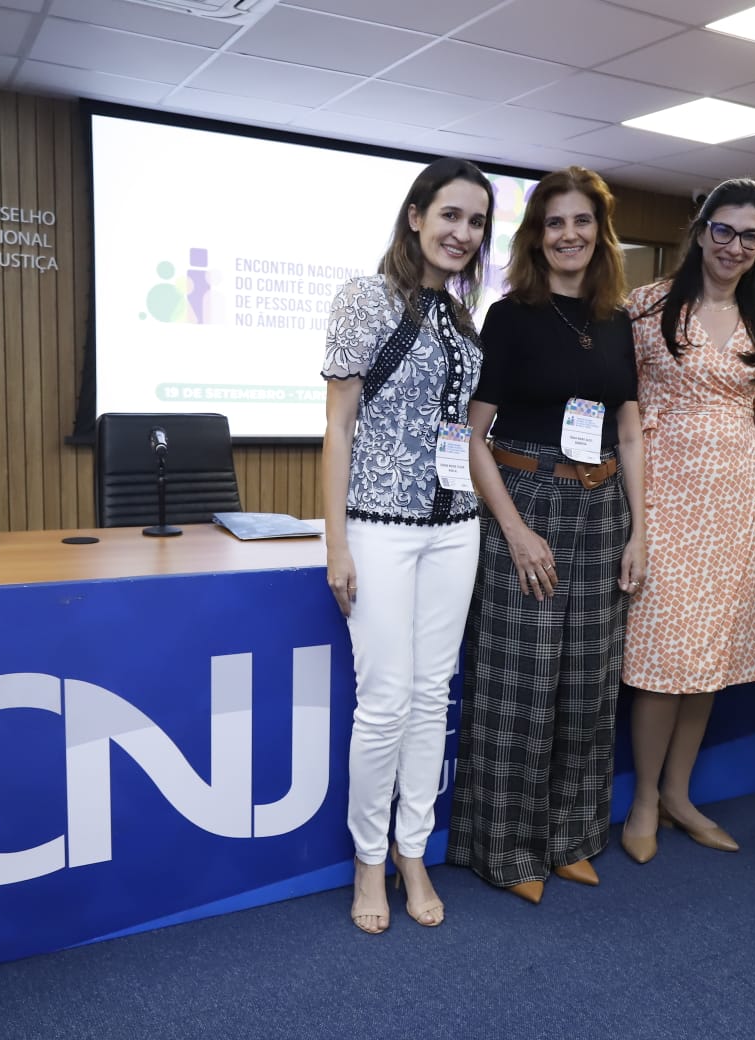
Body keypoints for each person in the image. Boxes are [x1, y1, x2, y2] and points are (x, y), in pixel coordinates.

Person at [447, 166, 645, 903]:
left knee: (588, 685)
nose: (569, 234)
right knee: (519, 684)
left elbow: (630, 432)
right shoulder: (511, 317)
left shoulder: (617, 320)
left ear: (600, 232)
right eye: (554, 222)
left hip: (602, 509)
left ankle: (571, 838)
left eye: (582, 221)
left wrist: (640, 531)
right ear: (536, 236)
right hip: (525, 501)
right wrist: (515, 530)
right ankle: (506, 849)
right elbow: (472, 436)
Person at [320, 158, 496, 934]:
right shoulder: (366, 297)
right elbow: (338, 427)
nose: (463, 232)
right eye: (451, 215)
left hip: (456, 527)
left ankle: (412, 850)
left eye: (477, 221)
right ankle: (369, 860)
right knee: (386, 701)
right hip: (380, 526)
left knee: (432, 699)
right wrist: (336, 543)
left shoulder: (461, 316)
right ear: (417, 215)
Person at [619, 177, 755, 864]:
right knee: (664, 657)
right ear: (702, 229)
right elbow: (622, 404)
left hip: (737, 498)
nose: (734, 246)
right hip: (664, 492)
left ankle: (679, 794)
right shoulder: (647, 304)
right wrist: (633, 517)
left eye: (750, 237)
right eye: (724, 230)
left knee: (708, 657)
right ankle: (644, 800)